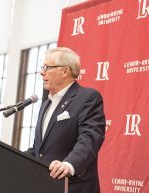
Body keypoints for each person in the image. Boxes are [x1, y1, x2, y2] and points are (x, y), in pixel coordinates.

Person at [25, 47, 106, 193]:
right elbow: (39, 148)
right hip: (44, 185)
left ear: (64, 71)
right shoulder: (45, 105)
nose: (41, 72)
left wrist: (69, 164)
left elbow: (90, 138)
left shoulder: (87, 97)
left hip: (73, 186)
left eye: (47, 67)